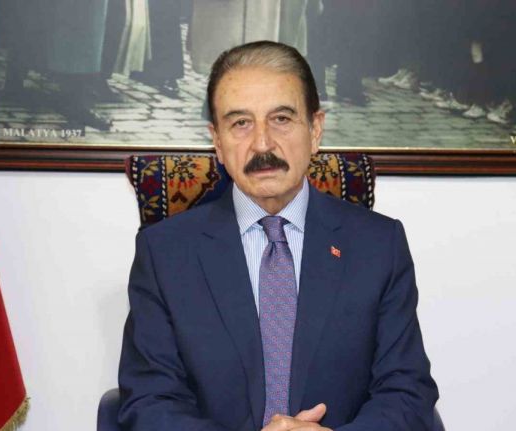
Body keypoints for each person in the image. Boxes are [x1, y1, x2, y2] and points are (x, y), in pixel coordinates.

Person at [118, 41, 438, 430]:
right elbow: (150, 402)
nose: (262, 144)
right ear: (217, 141)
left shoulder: (378, 246)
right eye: (240, 123)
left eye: (281, 119)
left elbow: (407, 392)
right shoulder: (165, 254)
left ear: (315, 130)